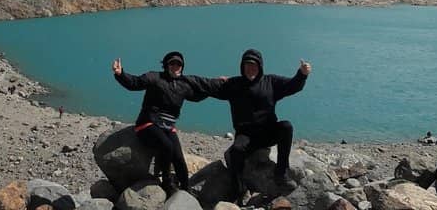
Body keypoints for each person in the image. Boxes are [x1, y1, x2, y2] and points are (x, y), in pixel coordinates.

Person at [200, 49, 311, 195]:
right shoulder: (233, 84)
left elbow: (292, 85)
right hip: (246, 135)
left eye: (254, 65)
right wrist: (213, 81)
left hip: (268, 133)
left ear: (260, 67)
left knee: (286, 126)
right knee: (236, 151)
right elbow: (207, 86)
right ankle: (237, 184)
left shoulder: (271, 82)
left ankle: (281, 173)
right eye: (247, 65)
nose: (250, 68)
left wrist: (302, 74)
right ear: (242, 66)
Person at [112, 51, 214, 193]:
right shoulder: (154, 77)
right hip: (147, 124)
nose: (176, 66)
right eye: (172, 63)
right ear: (166, 65)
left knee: (178, 157)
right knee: (167, 146)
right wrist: (120, 73)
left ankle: (186, 189)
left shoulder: (183, 85)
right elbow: (134, 83)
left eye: (179, 64)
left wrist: (212, 90)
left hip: (168, 127)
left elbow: (196, 96)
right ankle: (166, 181)